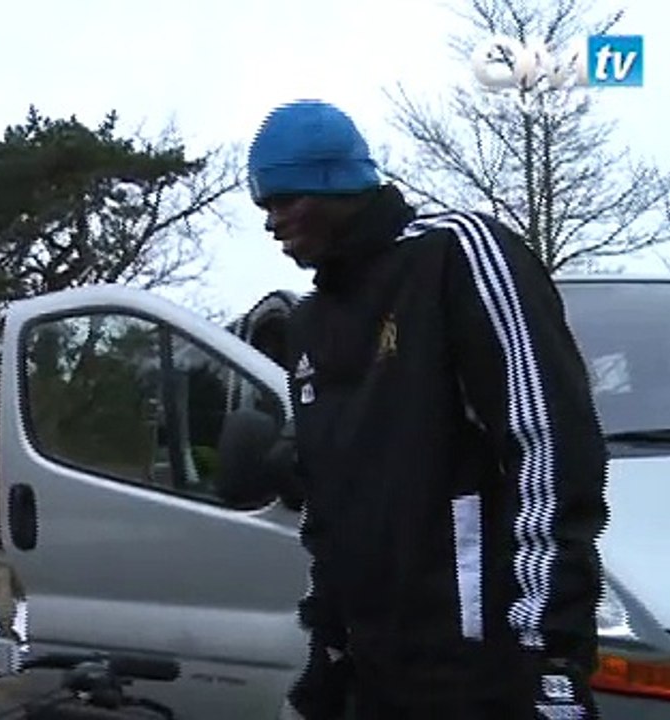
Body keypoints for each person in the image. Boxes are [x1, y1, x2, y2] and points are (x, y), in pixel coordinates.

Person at [246, 100, 609, 719]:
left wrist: (548, 655)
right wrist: (328, 650)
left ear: (336, 184)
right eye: (265, 207)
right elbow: (330, 509)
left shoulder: (454, 256)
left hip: (483, 671)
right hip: (379, 673)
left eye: (285, 201)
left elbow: (548, 443)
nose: (273, 223)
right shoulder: (310, 324)